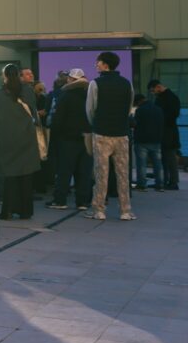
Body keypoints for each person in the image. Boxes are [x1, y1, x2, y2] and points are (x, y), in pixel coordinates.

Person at [85, 51, 135, 221]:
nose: (96, 65)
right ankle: (125, 210)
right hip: (122, 134)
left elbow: (90, 110)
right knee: (123, 174)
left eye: (98, 62)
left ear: (105, 65)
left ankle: (99, 209)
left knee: (101, 173)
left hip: (102, 133)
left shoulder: (95, 83)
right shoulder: (127, 83)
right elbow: (128, 108)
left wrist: (96, 124)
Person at [0, 64, 41, 220]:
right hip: (26, 137)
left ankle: (7, 210)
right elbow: (33, 112)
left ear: (4, 76)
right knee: (26, 175)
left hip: (5, 137)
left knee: (9, 176)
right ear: (19, 75)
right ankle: (26, 211)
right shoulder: (27, 91)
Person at [46, 68, 93, 210]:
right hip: (87, 138)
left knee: (64, 171)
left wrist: (55, 134)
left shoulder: (65, 96)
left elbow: (58, 119)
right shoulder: (89, 95)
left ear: (70, 80)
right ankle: (83, 202)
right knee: (84, 172)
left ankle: (60, 200)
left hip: (67, 139)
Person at [149, 79, 182, 190]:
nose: (153, 93)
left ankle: (172, 182)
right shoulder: (171, 97)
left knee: (169, 158)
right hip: (168, 132)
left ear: (158, 87)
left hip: (168, 132)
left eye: (153, 90)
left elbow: (171, 116)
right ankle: (166, 181)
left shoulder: (168, 98)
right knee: (166, 158)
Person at [132, 93, 165, 191]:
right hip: (156, 140)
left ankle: (142, 185)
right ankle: (160, 185)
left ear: (139, 101)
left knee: (141, 164)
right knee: (158, 164)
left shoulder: (140, 110)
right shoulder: (159, 110)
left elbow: (135, 124)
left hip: (142, 141)